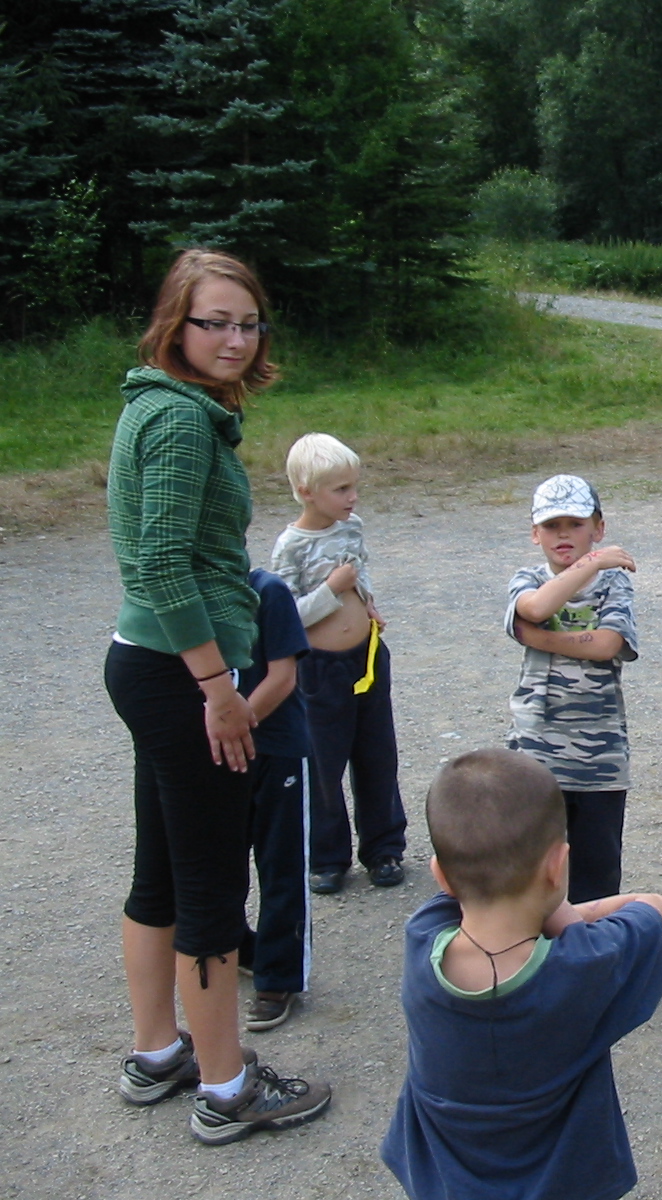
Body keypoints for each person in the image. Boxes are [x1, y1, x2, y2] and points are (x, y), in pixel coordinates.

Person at [106, 247, 330, 1144]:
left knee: (159, 873)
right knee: (207, 886)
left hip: (148, 664)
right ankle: (227, 1088)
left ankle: (158, 1051)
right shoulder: (180, 421)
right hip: (180, 676)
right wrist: (219, 689)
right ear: (177, 323)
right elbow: (162, 563)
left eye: (248, 323)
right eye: (215, 323)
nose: (235, 339)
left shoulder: (158, 403)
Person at [381, 748, 662, 1200]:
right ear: (557, 866)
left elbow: (468, 897)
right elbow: (656, 909)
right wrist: (564, 909)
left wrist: (543, 896)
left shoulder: (422, 937)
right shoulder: (583, 966)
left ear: (440, 876)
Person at [271, 432, 407, 895]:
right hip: (319, 670)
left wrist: (366, 602)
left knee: (377, 755)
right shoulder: (291, 546)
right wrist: (332, 589)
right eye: (341, 489)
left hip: (365, 659)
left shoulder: (352, 526)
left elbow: (359, 571)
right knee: (323, 763)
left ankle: (384, 848)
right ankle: (327, 857)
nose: (353, 497)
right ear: (306, 492)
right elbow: (287, 615)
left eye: (354, 486)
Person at [506, 474, 639, 903]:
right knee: (533, 871)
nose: (563, 534)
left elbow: (608, 644)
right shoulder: (528, 578)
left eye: (575, 524)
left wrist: (539, 639)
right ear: (535, 534)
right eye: (551, 525)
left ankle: (590, 944)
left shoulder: (613, 582)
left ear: (598, 528)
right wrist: (591, 562)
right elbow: (535, 608)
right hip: (535, 750)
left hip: (600, 756)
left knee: (596, 877)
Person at [236, 567, 314, 1033]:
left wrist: (235, 725)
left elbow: (283, 676)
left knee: (280, 863)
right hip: (218, 751)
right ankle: (238, 947)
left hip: (275, 747)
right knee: (219, 862)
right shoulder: (189, 598)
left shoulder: (267, 591)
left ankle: (278, 977)